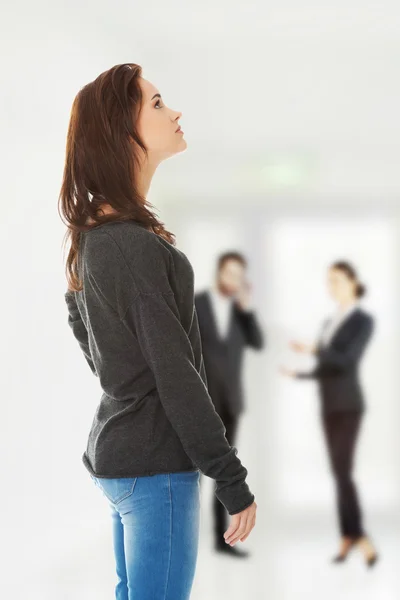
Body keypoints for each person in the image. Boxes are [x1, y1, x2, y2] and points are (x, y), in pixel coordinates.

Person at [59, 63, 257, 600]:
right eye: (157, 103)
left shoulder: (98, 235)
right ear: (122, 132)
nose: (175, 112)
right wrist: (231, 478)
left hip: (122, 460)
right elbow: (176, 373)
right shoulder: (131, 244)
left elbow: (100, 351)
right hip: (153, 469)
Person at [281, 260, 379, 568]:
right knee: (338, 473)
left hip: (349, 405)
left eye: (336, 280)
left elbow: (347, 361)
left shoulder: (363, 320)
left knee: (344, 472)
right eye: (329, 281)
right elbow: (326, 367)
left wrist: (313, 350)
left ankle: (358, 535)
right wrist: (300, 375)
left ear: (352, 281)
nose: (331, 286)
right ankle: (348, 534)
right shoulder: (328, 322)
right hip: (328, 405)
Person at [195, 251, 264, 557]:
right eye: (230, 274)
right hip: (200, 403)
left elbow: (258, 342)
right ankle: (188, 538)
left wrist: (247, 309)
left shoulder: (240, 312)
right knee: (191, 474)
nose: (234, 280)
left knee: (225, 474)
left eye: (240, 275)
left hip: (231, 403)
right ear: (219, 273)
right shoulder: (196, 303)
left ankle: (221, 540)